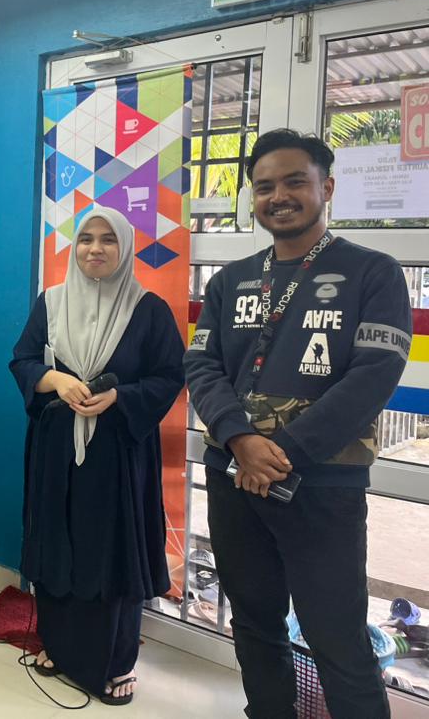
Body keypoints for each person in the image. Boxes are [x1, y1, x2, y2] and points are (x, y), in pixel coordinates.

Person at [184, 129, 412, 719]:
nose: (278, 196)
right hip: (234, 478)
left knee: (337, 636)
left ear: (326, 188)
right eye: (264, 187)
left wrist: (280, 451)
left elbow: (374, 376)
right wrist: (241, 440)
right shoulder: (229, 280)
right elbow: (202, 365)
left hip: (322, 487)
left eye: (294, 182)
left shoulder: (373, 273)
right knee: (254, 623)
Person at [9, 205, 184, 706]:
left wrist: (119, 397)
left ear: (125, 247)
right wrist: (55, 379)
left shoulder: (148, 309)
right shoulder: (51, 302)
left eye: (108, 239)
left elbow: (170, 376)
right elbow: (22, 360)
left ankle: (114, 661)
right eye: (86, 239)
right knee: (58, 544)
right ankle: (59, 646)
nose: (95, 249)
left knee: (111, 553)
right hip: (57, 451)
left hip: (117, 457)